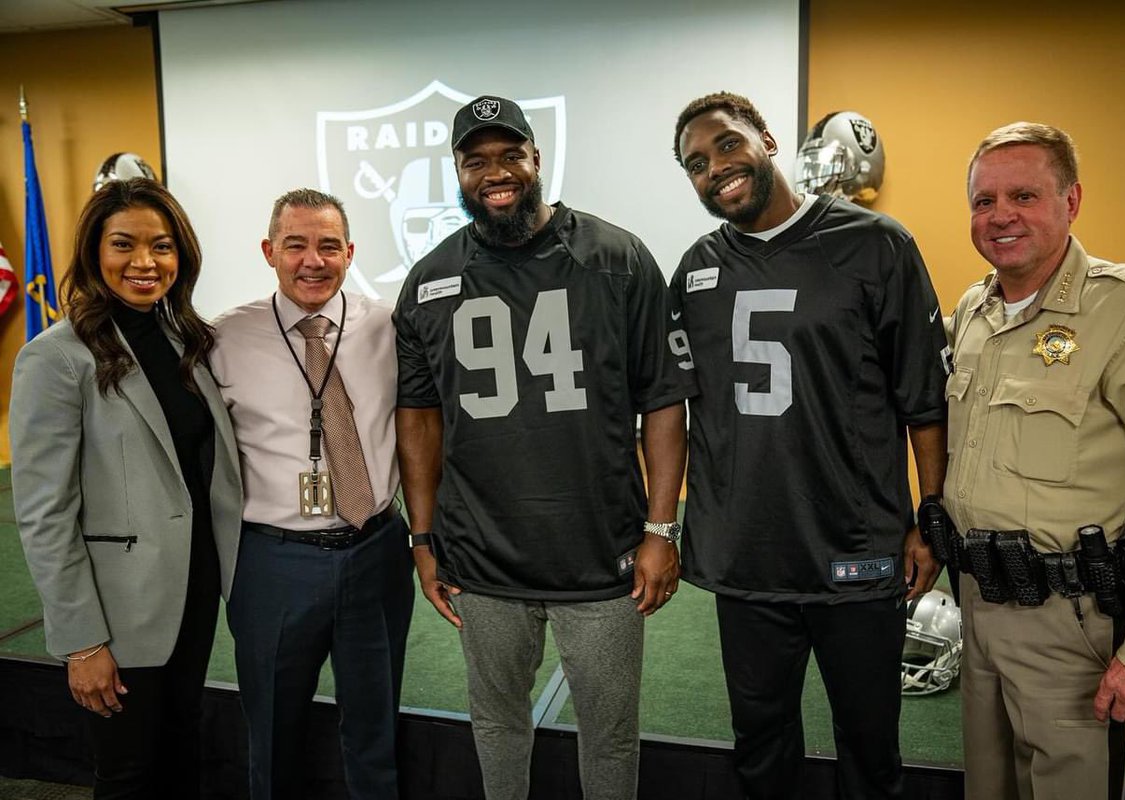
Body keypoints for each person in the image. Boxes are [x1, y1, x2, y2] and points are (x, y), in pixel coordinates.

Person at [394, 95, 692, 800]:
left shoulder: (615, 257)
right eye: (476, 161)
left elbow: (664, 400)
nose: (494, 173)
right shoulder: (429, 279)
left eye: (509, 156)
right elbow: (419, 416)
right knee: (498, 728)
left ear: (536, 158)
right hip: (483, 554)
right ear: (459, 174)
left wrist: (661, 527)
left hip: (602, 554)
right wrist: (423, 536)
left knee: (610, 735)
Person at [669, 92, 949, 800]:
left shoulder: (877, 244)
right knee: (760, 747)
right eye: (695, 164)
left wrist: (930, 515)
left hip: (855, 545)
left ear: (765, 140)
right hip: (747, 555)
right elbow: (676, 408)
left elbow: (923, 400)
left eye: (727, 146)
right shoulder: (695, 269)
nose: (716, 170)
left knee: (869, 745)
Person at [942, 122, 1125, 799]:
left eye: (1023, 195)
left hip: (1074, 624)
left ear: (1072, 201)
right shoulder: (975, 310)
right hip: (980, 609)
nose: (1000, 216)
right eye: (983, 201)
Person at [11, 178, 242, 799]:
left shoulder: (184, 342)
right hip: (117, 613)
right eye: (124, 245)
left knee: (179, 751)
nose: (144, 262)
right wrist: (81, 640)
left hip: (192, 593)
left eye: (161, 247)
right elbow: (43, 513)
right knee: (128, 774)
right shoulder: (55, 358)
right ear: (94, 252)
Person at [210, 189, 413, 800]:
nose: (312, 260)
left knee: (375, 728)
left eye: (329, 246)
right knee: (273, 730)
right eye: (295, 244)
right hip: (272, 563)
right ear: (269, 251)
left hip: (375, 552)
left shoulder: (387, 326)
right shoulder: (222, 339)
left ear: (350, 252)